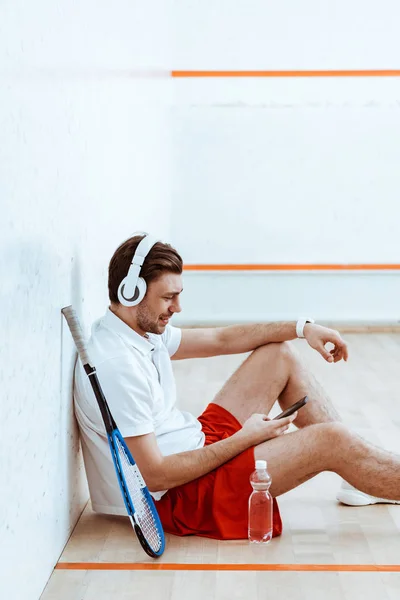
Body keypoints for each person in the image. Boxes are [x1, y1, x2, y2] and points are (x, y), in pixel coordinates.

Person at [74, 233, 400, 542]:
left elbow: (222, 338)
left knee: (278, 355)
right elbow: (156, 477)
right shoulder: (117, 365)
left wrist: (303, 328)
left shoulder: (137, 330)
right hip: (182, 496)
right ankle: (369, 471)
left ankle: (365, 477)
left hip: (194, 447)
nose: (178, 307)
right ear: (130, 293)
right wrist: (245, 437)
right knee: (333, 440)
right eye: (168, 297)